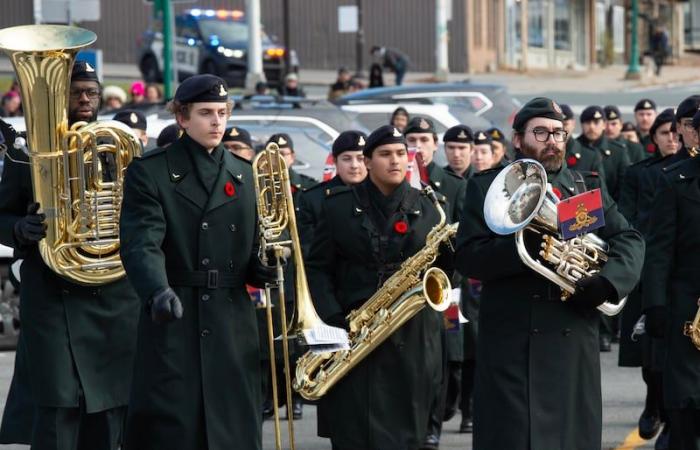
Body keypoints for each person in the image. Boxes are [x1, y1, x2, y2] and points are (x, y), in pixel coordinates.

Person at [456, 97, 644, 450]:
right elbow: (468, 257)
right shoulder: (487, 187)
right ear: (517, 139)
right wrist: (526, 246)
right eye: (540, 132)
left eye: (558, 132)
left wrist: (606, 284)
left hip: (571, 337)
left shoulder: (583, 187)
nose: (553, 140)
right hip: (510, 341)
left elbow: (628, 239)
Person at [119, 74, 277, 450]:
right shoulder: (152, 170)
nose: (217, 122)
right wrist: (156, 290)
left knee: (233, 429)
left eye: (222, 113)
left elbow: (252, 241)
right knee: (174, 427)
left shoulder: (243, 172)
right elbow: (142, 242)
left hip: (231, 322)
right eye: (206, 113)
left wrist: (261, 267)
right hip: (176, 314)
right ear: (182, 118)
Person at [0, 60, 141, 450]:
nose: (84, 99)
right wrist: (18, 229)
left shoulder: (120, 149)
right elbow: (3, 213)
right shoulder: (28, 153)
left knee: (111, 406)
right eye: (76, 91)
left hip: (112, 294)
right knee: (56, 405)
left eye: (91, 92)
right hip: (52, 294)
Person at [306, 124, 452, 449]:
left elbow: (444, 270)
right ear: (368, 161)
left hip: (410, 334)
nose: (395, 161)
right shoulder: (337, 207)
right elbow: (317, 269)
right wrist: (333, 319)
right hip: (352, 332)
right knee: (354, 431)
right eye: (385, 154)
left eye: (401, 154)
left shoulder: (431, 207)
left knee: (407, 432)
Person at [617, 108, 678, 450]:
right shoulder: (639, 174)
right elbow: (626, 217)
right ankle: (652, 400)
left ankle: (671, 418)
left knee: (675, 351)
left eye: (675, 131)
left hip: (679, 270)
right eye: (664, 132)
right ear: (653, 138)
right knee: (649, 352)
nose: (671, 137)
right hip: (647, 265)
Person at [404, 117, 466, 449]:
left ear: (434, 143)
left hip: (446, 289)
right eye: (410, 139)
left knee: (444, 362)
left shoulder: (453, 185)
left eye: (423, 140)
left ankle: (435, 422)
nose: (417, 146)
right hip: (406, 288)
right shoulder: (398, 180)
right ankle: (420, 426)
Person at [642, 122, 700, 450]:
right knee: (685, 406)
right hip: (686, 312)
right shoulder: (675, 181)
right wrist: (655, 305)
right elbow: (659, 251)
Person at [297, 130, 367, 255]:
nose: (354, 165)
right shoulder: (313, 199)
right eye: (347, 159)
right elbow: (310, 249)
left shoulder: (383, 194)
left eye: (360, 158)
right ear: (335, 161)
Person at [577, 105, 630, 202]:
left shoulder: (618, 151)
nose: (592, 127)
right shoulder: (574, 149)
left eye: (596, 122)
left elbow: (625, 186)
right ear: (582, 125)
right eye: (588, 123)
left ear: (604, 125)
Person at [560, 103, 604, 173]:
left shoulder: (591, 156)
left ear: (573, 124)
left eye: (565, 124)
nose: (562, 128)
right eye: (558, 125)